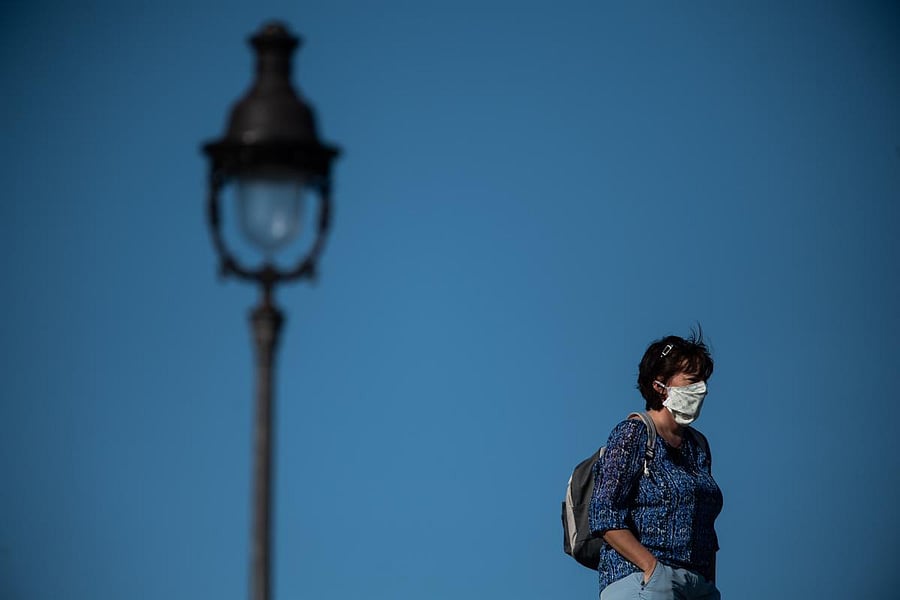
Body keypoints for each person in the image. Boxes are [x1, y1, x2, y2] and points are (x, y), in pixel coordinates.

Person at [588, 330, 723, 599]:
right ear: (659, 385)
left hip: (697, 587)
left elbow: (706, 527)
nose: (702, 389)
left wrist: (708, 583)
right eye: (692, 381)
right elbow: (604, 515)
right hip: (643, 582)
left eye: (704, 381)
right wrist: (653, 570)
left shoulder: (698, 446)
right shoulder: (633, 433)